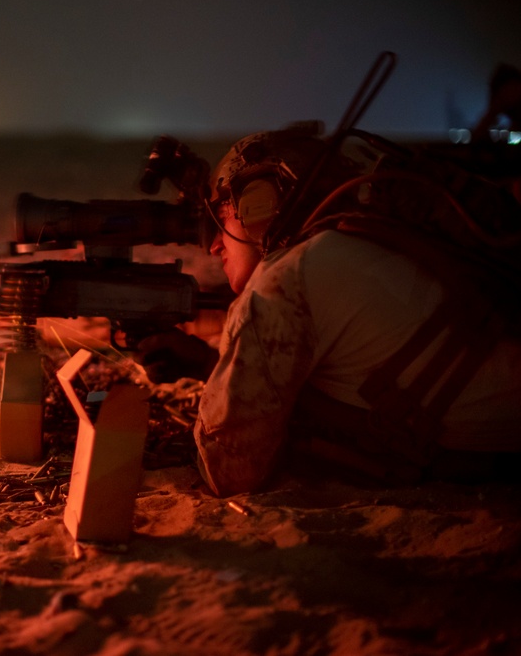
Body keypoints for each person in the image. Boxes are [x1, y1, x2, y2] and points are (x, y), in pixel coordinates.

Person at [136, 125, 521, 497]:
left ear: (260, 200)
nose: (213, 245)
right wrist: (209, 363)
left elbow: (229, 470)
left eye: (219, 220)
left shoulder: (284, 280)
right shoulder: (361, 244)